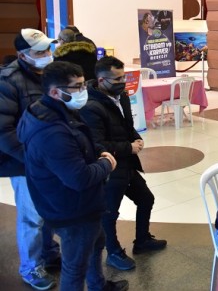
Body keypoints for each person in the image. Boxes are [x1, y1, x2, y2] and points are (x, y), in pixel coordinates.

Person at [18, 61, 128, 291]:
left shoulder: (52, 110)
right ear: (55, 92)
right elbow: (79, 178)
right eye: (77, 87)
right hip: (72, 210)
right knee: (75, 267)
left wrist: (97, 150)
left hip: (80, 205)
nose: (83, 91)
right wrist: (106, 163)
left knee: (96, 243)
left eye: (83, 84)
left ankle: (98, 285)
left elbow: (81, 140)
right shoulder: (52, 132)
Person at [80, 56, 166, 272]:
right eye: (117, 79)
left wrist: (136, 138)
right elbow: (97, 144)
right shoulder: (91, 107)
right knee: (110, 213)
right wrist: (129, 147)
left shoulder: (123, 97)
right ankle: (113, 252)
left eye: (123, 77)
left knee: (146, 199)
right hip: (110, 167)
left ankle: (142, 240)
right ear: (101, 80)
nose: (123, 82)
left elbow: (127, 126)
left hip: (127, 164)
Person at [0, 28, 60, 290]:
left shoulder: (47, 74)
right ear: (22, 55)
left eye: (47, 48)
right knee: (31, 217)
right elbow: (4, 132)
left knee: (47, 210)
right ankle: (31, 267)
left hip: (48, 158)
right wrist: (31, 159)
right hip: (23, 162)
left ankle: (48, 251)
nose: (46, 54)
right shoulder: (8, 81)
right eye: (39, 51)